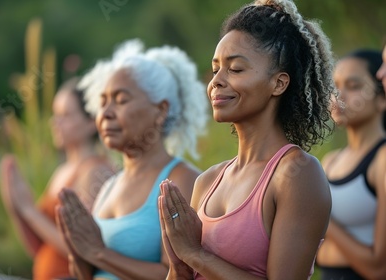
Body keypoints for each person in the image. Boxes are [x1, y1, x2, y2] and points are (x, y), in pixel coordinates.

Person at [158, 0, 336, 279]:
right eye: (215, 68)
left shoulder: (297, 174)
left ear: (279, 83)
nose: (216, 80)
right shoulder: (206, 181)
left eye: (235, 69)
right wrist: (179, 266)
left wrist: (195, 254)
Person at [55, 39, 209, 280]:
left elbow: (178, 274)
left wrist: (98, 252)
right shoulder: (109, 186)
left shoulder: (183, 180)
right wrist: (77, 248)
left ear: (160, 110)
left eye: (121, 100)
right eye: (103, 101)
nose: (105, 113)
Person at [0, 78, 115, 280]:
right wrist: (15, 206)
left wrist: (29, 210)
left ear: (90, 123)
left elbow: (84, 251)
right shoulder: (61, 172)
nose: (55, 122)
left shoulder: (96, 172)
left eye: (65, 115)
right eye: (55, 114)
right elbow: (38, 248)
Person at [316, 49, 386, 280]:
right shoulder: (331, 161)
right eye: (335, 85)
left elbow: (379, 267)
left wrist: (321, 217)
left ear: (382, 98)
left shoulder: (382, 159)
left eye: (353, 86)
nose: (339, 95)